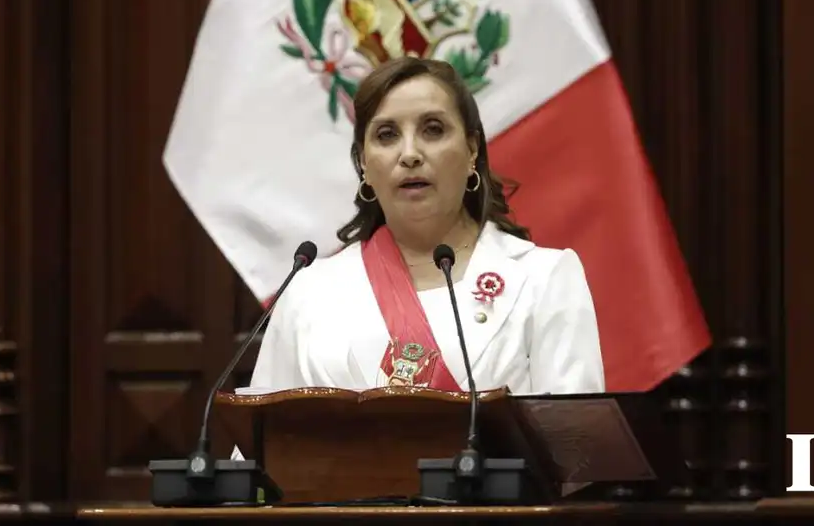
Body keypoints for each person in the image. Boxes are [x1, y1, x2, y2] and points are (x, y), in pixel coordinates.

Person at [246, 57, 605, 396]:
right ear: (364, 165)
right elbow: (257, 452)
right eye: (387, 135)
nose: (410, 153)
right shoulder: (308, 293)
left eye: (433, 130)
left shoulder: (544, 280)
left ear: (471, 151)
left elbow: (575, 451)